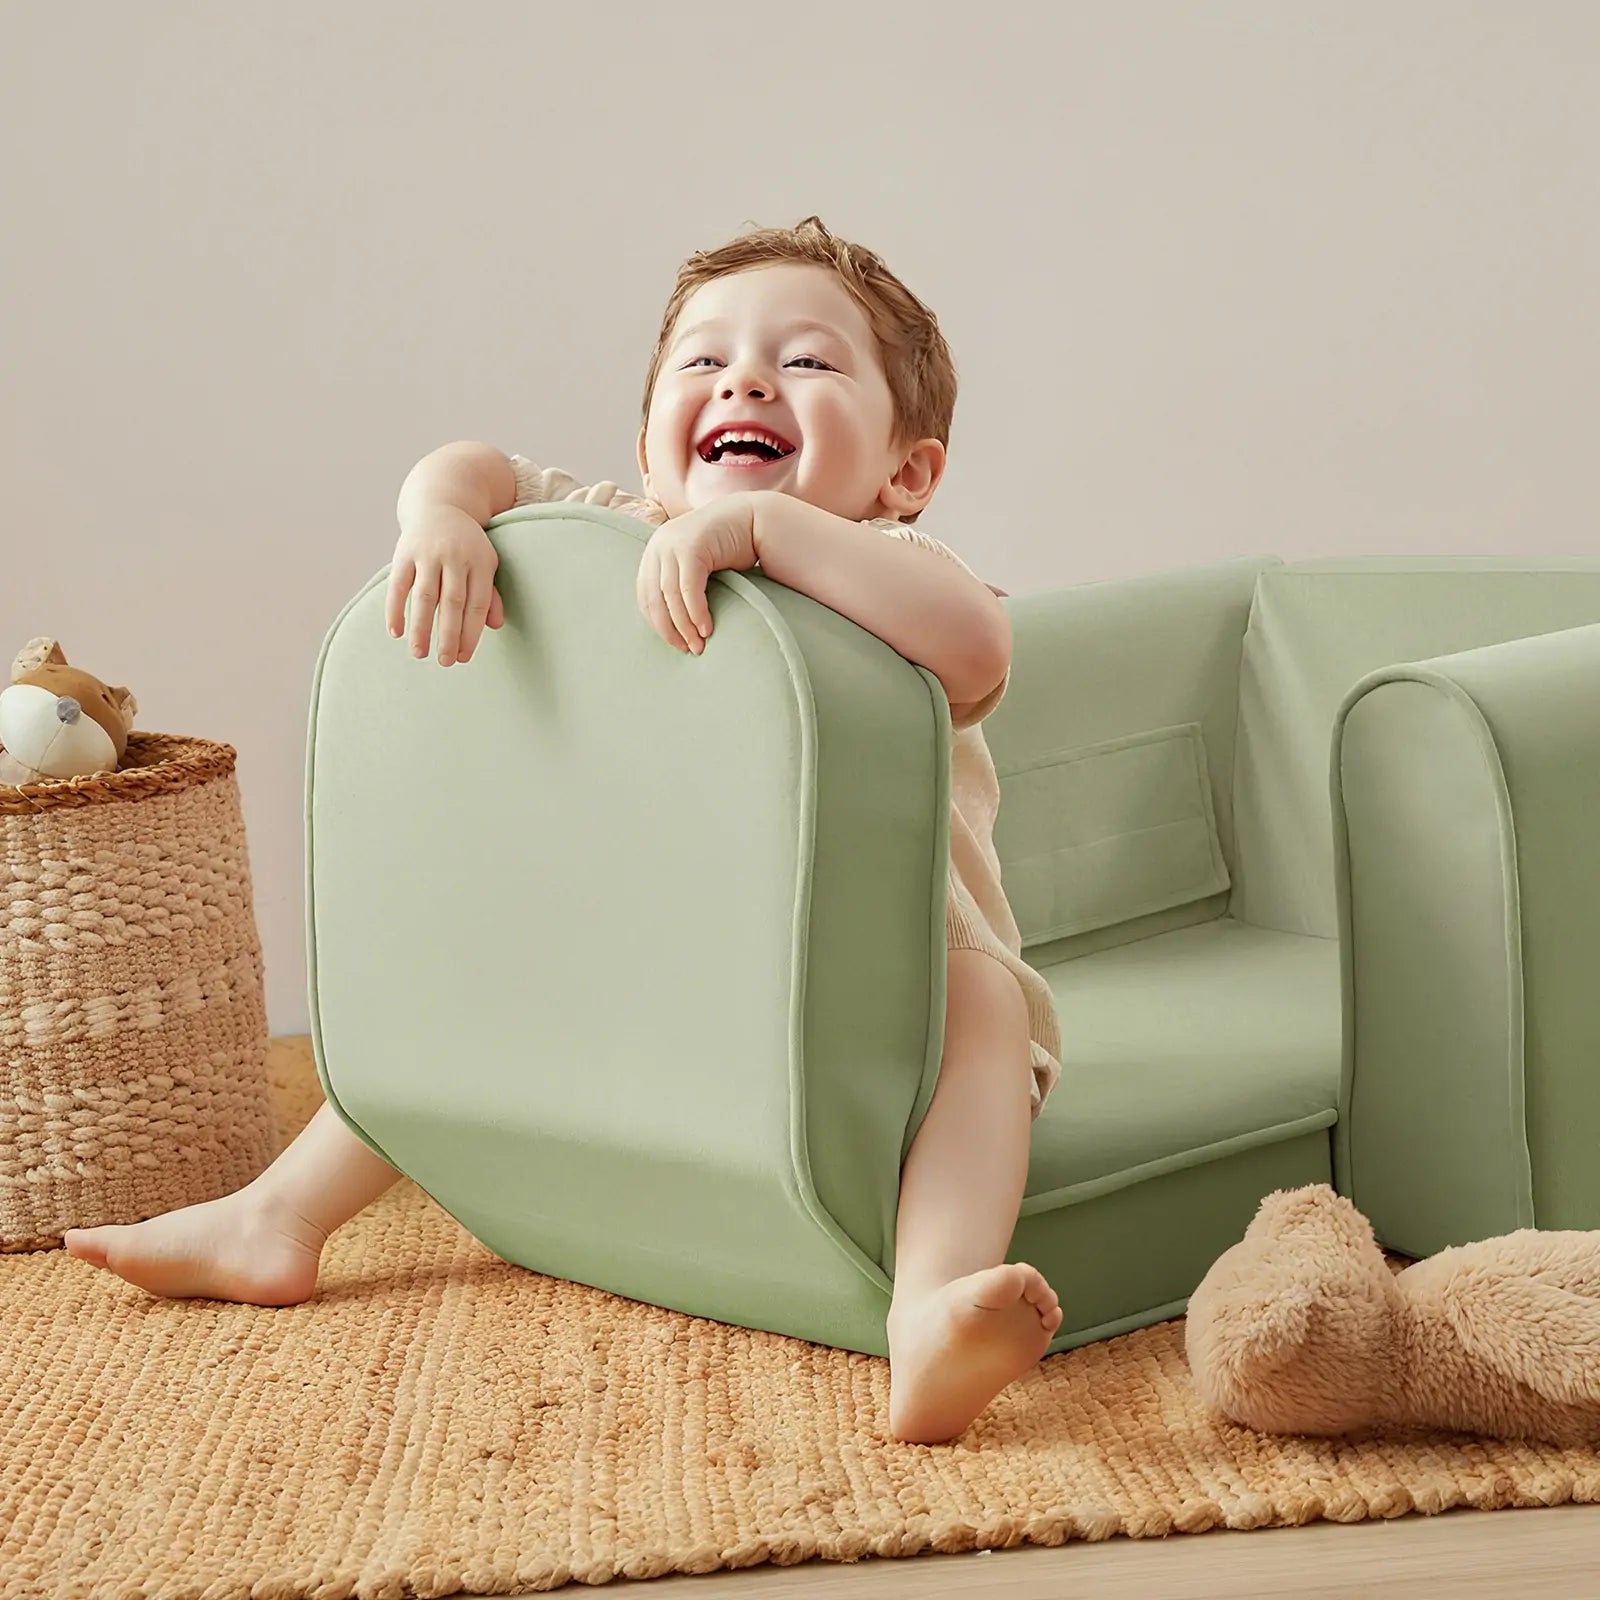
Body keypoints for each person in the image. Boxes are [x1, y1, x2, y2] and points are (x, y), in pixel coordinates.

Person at [64, 215, 1065, 1446]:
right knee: (465, 996)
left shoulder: (888, 559)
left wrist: (764, 533)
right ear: (648, 450)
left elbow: (977, 645)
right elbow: (475, 462)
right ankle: (278, 1217)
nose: (745, 381)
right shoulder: (613, 529)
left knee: (988, 1010)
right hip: (651, 955)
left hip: (886, 972)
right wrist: (439, 518)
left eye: (805, 361)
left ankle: (927, 1308)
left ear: (905, 473)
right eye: (704, 361)